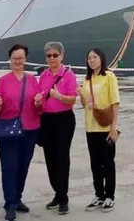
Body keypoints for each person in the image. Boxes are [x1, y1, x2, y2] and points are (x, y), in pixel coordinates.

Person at [0, 44, 43, 221]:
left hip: (30, 129)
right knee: (9, 166)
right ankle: (10, 204)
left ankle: (17, 198)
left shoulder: (32, 80)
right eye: (15, 58)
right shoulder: (3, 81)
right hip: (8, 129)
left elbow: (39, 108)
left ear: (25, 59)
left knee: (23, 166)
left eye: (21, 58)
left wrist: (38, 103)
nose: (18, 61)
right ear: (10, 59)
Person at [37, 41, 78, 215]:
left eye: (55, 55)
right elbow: (40, 98)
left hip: (64, 120)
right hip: (47, 119)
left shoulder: (68, 75)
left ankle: (63, 197)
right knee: (50, 158)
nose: (52, 58)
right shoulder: (43, 76)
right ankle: (57, 192)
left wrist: (59, 96)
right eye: (49, 55)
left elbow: (72, 99)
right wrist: (37, 101)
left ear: (62, 56)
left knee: (62, 157)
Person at [78, 48, 121, 213]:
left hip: (105, 127)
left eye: (95, 57)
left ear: (101, 59)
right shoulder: (86, 79)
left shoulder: (109, 77)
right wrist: (81, 95)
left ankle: (110, 196)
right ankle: (99, 194)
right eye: (89, 58)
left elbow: (115, 103)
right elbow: (85, 105)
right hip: (91, 127)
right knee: (95, 164)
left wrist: (113, 128)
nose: (91, 60)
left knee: (108, 163)